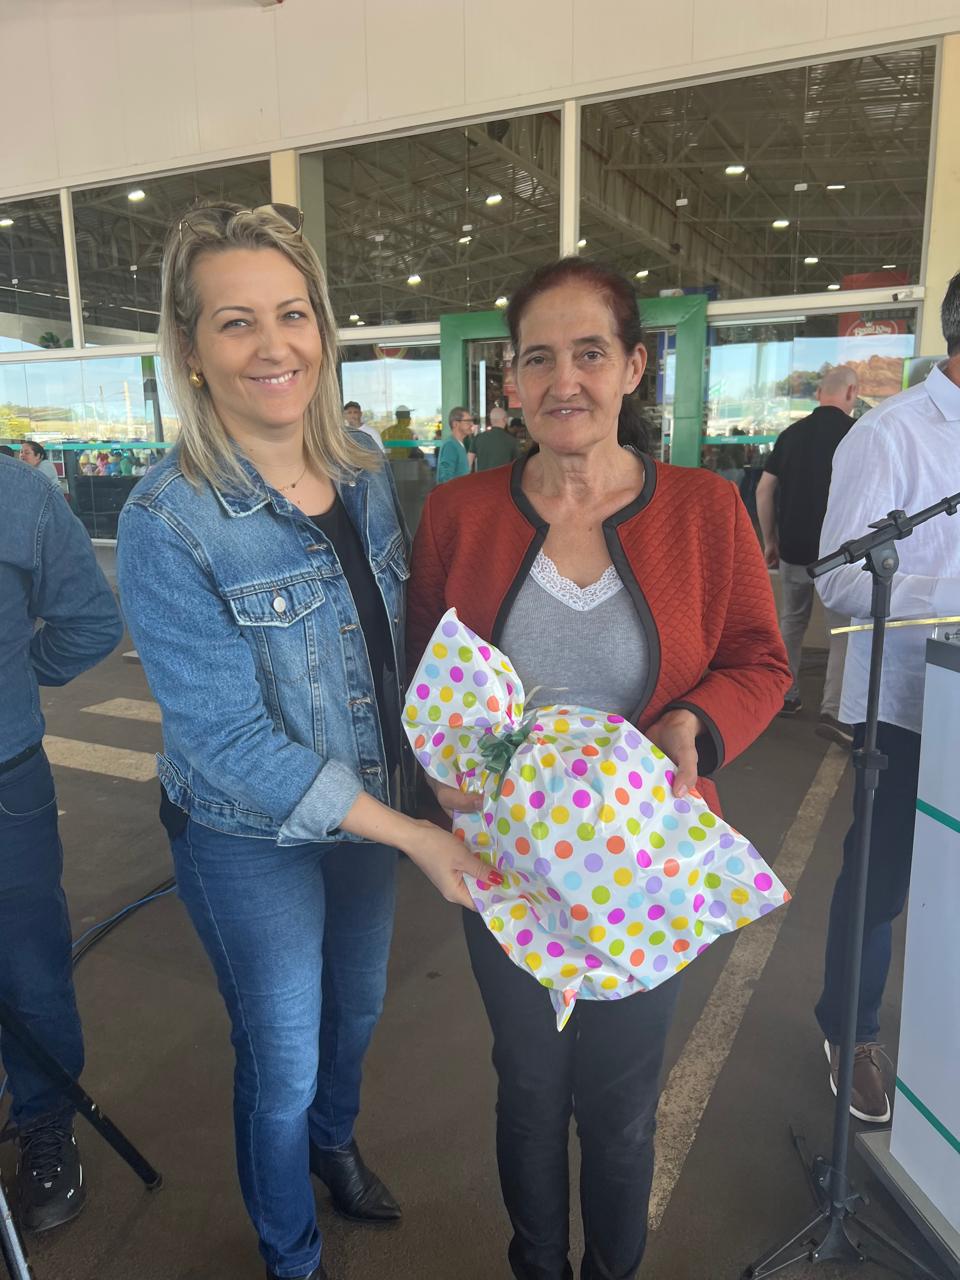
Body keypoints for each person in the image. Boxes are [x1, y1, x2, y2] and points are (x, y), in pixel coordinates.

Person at [116, 203, 484, 1280]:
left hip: (368, 808)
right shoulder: (167, 519)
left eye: (291, 314)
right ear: (191, 348)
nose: (272, 345)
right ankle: (292, 1252)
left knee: (354, 1013)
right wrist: (411, 834)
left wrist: (450, 783)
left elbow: (395, 653)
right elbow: (226, 737)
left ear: (321, 327)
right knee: (278, 1058)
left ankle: (334, 1141)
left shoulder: (363, 469)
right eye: (235, 322)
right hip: (245, 834)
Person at [408, 257, 791, 1280]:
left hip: (645, 862)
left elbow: (760, 659)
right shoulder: (458, 514)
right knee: (529, 1089)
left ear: (632, 367)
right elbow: (423, 674)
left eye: (589, 353)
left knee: (620, 1105)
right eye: (538, 358)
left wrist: (694, 724)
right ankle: (537, 1264)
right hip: (507, 865)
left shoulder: (705, 510)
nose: (563, 380)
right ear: (512, 381)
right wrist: (442, 773)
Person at [813, 270, 960, 1125]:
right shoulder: (891, 433)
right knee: (884, 874)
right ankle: (853, 1029)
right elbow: (838, 576)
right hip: (909, 702)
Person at [0, 453, 123, 1233]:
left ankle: (45, 1122)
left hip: (5, 786)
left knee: (29, 970)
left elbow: (91, 622)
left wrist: (14, 675)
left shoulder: (18, 496)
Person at [756, 365, 859, 744]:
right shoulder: (858, 434)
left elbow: (764, 490)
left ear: (818, 395)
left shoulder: (791, 435)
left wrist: (770, 539)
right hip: (841, 555)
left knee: (791, 622)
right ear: (851, 393)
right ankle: (834, 710)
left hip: (794, 550)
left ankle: (786, 695)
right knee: (843, 632)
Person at [472, 405, 522, 472]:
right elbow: (518, 465)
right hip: (503, 478)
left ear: (490, 420)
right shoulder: (512, 440)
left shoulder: (478, 438)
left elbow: (468, 463)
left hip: (481, 478)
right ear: (505, 419)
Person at [435, 406, 474, 484]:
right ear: (455, 424)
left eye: (472, 421)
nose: (472, 424)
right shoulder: (450, 445)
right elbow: (445, 479)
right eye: (467, 421)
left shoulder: (459, 444)